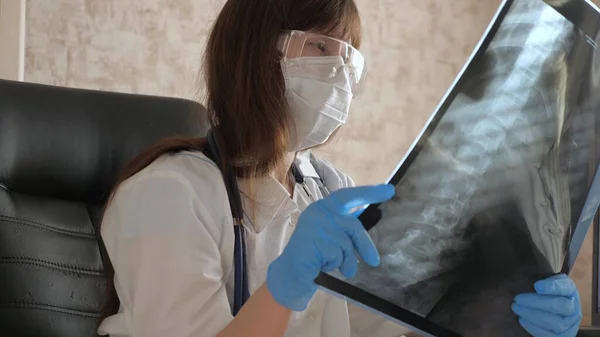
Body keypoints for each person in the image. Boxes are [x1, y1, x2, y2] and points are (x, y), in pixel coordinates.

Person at [96, 0, 583, 336]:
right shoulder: (168, 195)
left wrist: (508, 319)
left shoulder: (330, 192)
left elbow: (378, 330)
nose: (341, 74)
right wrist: (285, 284)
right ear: (254, 52)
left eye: (350, 57)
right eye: (320, 47)